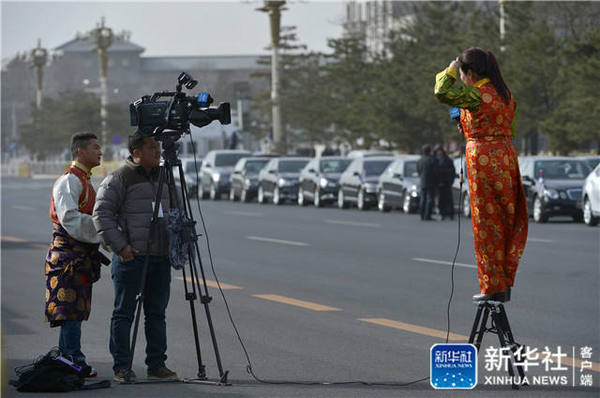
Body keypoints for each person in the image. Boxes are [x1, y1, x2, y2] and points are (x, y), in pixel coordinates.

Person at [434, 47, 528, 300]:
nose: (462, 78)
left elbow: (441, 92)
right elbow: (508, 127)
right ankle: (505, 282)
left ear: (470, 73)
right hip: (506, 157)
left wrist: (451, 67)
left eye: (463, 74)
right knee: (507, 221)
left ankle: (491, 285)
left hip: (483, 161)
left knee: (486, 223)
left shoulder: (475, 95)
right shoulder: (506, 95)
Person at [93, 132, 177, 382]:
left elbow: (178, 211)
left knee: (156, 313)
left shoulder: (166, 176)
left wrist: (177, 248)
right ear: (137, 152)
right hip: (132, 258)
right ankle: (122, 366)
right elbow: (102, 215)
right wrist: (121, 247)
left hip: (160, 258)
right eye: (152, 147)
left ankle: (157, 364)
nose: (159, 152)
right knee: (124, 313)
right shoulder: (119, 177)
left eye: (159, 147)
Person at [45, 132, 108, 377]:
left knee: (74, 309)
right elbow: (69, 218)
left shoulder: (83, 179)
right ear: (80, 152)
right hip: (68, 257)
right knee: (70, 309)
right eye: (95, 147)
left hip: (78, 256)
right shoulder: (70, 180)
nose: (100, 151)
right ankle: (73, 359)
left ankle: (69, 360)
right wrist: (102, 229)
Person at [433, 144, 456, 220]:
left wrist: (450, 180)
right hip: (439, 183)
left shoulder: (447, 160)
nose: (439, 152)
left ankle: (451, 214)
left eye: (440, 151)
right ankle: (442, 213)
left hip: (447, 182)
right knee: (441, 200)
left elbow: (452, 171)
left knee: (449, 199)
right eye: (437, 151)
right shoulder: (434, 160)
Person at [417, 144, 437, 221]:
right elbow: (435, 171)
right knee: (429, 199)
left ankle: (422, 215)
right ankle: (427, 215)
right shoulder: (431, 160)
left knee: (423, 198)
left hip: (422, 181)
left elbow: (418, 170)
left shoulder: (420, 160)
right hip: (431, 182)